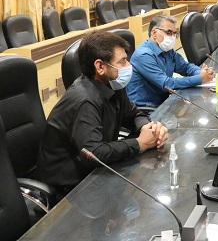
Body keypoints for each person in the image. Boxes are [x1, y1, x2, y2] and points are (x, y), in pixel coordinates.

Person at [36, 31, 168, 198]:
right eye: (122, 61)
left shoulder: (113, 85)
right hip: (69, 189)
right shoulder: (84, 100)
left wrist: (149, 128)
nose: (129, 66)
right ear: (100, 67)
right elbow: (94, 153)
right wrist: (140, 143)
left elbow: (133, 114)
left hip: (95, 174)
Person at [126, 15, 214, 108]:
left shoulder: (167, 50)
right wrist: (200, 79)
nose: (172, 37)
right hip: (145, 108)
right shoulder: (143, 55)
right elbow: (167, 84)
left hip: (163, 102)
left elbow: (185, 67)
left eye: (174, 33)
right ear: (154, 33)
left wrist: (202, 72)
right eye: (168, 32)